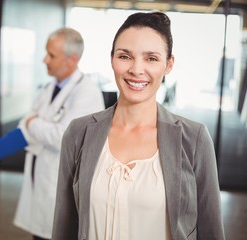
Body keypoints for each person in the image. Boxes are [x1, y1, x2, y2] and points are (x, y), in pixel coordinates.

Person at [52, 12, 225, 240]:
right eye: (125, 56)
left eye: (151, 58)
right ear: (112, 58)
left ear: (168, 64)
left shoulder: (194, 139)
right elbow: (64, 227)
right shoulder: (79, 132)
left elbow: (211, 231)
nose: (136, 69)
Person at [13, 27, 105, 240]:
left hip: (61, 186)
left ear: (71, 60)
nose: (45, 60)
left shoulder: (87, 93)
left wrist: (34, 122)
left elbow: (63, 138)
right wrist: (34, 125)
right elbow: (22, 126)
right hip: (41, 180)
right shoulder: (48, 88)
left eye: (51, 55)